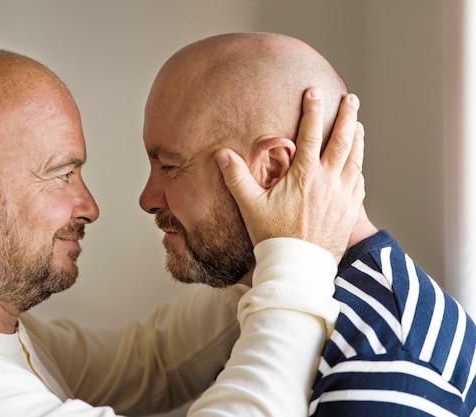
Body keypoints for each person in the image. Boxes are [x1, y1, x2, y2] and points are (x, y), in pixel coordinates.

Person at [0, 47, 362, 417]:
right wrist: (298, 260)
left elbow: (153, 362)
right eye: (62, 174)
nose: (90, 206)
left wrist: (267, 238)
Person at [139, 31, 476, 416]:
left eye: (169, 166)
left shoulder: (382, 365)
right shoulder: (277, 301)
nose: (148, 199)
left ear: (274, 169)